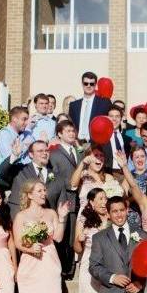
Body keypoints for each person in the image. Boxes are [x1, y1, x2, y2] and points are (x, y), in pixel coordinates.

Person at [12, 180, 70, 293]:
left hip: (49, 263)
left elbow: (59, 238)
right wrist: (30, 249)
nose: (43, 193)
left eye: (44, 190)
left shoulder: (50, 213)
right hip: (30, 264)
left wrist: (62, 217)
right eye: (39, 190)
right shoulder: (21, 216)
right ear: (29, 195)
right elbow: (18, 242)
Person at [48, 120, 82, 280]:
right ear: (59, 134)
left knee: (72, 237)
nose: (71, 133)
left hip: (77, 199)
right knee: (62, 234)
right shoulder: (53, 154)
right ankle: (61, 270)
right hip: (62, 199)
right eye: (67, 131)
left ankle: (69, 269)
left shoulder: (79, 152)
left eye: (73, 130)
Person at [0, 140, 58, 217]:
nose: (44, 153)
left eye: (46, 150)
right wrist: (14, 155)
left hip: (43, 220)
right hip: (19, 216)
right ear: (31, 154)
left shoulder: (55, 175)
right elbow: (2, 172)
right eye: (40, 151)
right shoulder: (20, 170)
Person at [70, 147, 125, 214]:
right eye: (96, 155)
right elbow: (73, 185)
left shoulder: (108, 177)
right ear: (88, 158)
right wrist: (82, 163)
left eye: (101, 155)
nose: (99, 158)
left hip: (105, 216)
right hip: (86, 216)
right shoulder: (82, 175)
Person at [0, 106, 34, 185]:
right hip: (4, 178)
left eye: (27, 120)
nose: (26, 123)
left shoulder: (21, 135)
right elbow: (9, 157)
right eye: (24, 119)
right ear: (14, 119)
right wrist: (25, 146)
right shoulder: (5, 133)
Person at [68, 72, 113, 142]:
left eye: (91, 84)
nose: (88, 86)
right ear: (82, 84)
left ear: (95, 85)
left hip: (96, 145)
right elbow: (70, 125)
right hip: (76, 144)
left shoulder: (104, 103)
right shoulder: (74, 105)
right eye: (86, 83)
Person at [101, 106, 130, 180]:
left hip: (124, 173)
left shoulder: (126, 138)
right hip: (107, 174)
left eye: (117, 116)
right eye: (111, 116)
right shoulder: (101, 137)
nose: (114, 119)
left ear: (121, 118)